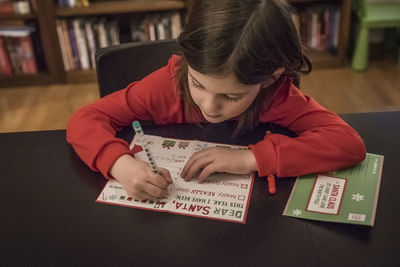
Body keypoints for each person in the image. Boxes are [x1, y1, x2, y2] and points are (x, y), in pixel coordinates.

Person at [66, 0, 366, 201]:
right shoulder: (165, 86)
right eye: (197, 84)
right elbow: (86, 118)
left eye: (231, 96)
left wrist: (249, 159)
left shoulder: (278, 95)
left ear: (270, 78)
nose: (209, 106)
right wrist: (120, 164)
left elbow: (348, 143)